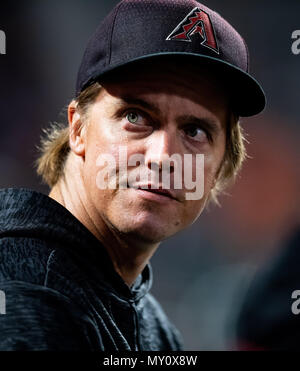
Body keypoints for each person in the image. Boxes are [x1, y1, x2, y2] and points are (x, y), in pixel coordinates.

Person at [0, 0, 265, 351]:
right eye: (136, 117)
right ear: (78, 130)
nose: (164, 156)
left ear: (221, 168)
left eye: (195, 131)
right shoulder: (30, 295)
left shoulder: (145, 314)